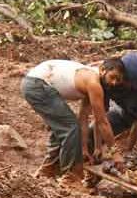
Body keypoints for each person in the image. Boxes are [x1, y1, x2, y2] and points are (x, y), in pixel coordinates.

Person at [21, 59, 125, 189]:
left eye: (118, 80)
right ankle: (71, 178)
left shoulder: (91, 79)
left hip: (34, 83)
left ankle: (47, 170)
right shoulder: (94, 83)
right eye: (112, 77)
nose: (114, 83)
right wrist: (115, 153)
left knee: (62, 127)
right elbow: (102, 121)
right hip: (38, 85)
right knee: (70, 128)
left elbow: (84, 117)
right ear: (103, 70)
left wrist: (84, 148)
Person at [89, 51, 137, 162]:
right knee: (90, 135)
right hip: (121, 111)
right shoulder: (111, 78)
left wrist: (127, 150)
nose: (128, 84)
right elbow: (100, 117)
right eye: (126, 79)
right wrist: (97, 146)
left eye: (132, 82)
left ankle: (134, 143)